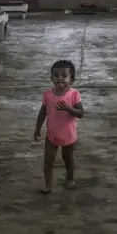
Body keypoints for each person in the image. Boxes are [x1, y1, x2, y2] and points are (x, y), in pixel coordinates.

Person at [34, 60, 84, 193]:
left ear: (71, 79)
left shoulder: (74, 95)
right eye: (56, 75)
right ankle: (48, 185)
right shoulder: (48, 95)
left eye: (64, 75)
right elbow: (43, 111)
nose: (59, 78)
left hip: (69, 135)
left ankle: (70, 178)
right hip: (52, 134)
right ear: (51, 78)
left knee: (68, 158)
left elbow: (80, 113)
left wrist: (68, 109)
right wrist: (38, 127)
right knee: (48, 161)